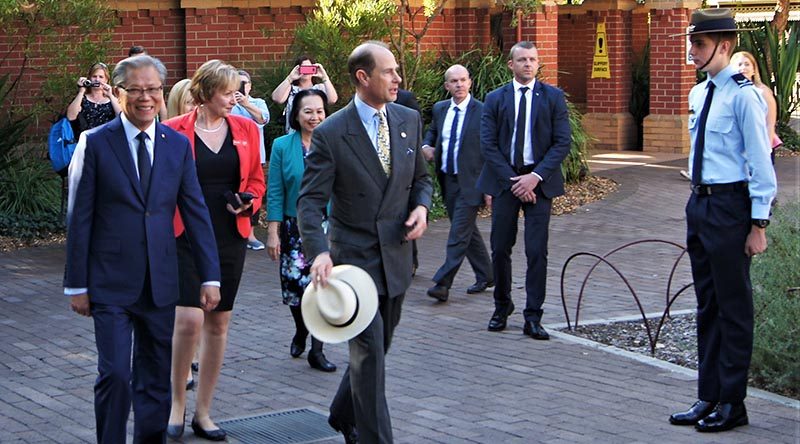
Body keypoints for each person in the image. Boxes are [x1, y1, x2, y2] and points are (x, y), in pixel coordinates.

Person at [64, 55, 221, 444]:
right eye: (136, 90)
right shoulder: (96, 143)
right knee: (116, 374)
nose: (146, 97)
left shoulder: (177, 146)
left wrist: (210, 275)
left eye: (153, 89)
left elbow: (196, 211)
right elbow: (79, 216)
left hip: (160, 281)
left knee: (155, 378)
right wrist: (76, 284)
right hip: (110, 281)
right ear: (119, 93)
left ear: (162, 92)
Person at [297, 41, 433, 444]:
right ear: (363, 77)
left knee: (377, 351)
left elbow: (421, 180)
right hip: (354, 264)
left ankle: (342, 414)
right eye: (388, 71)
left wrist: (422, 209)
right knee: (370, 354)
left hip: (397, 256)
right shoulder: (332, 132)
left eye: (396, 72)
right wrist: (318, 250)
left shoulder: (409, 119)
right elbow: (310, 201)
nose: (398, 78)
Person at [668, 9, 776, 433]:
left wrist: (758, 223)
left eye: (699, 44)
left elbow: (759, 160)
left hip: (732, 207)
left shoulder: (743, 95)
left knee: (733, 307)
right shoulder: (700, 94)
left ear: (724, 46)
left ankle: (733, 402)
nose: (692, 51)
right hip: (700, 204)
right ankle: (708, 395)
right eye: (691, 43)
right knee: (708, 304)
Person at [163, 59, 266, 441]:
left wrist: (249, 203)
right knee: (188, 320)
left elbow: (256, 179)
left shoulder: (246, 128)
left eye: (236, 90)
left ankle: (204, 413)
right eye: (227, 92)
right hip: (184, 235)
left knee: (218, 323)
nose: (233, 98)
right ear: (205, 93)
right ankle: (176, 403)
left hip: (229, 235)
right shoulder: (173, 131)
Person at [477, 41, 571, 340]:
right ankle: (502, 306)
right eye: (522, 60)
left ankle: (533, 315)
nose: (527, 64)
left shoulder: (553, 97)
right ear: (511, 64)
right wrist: (515, 182)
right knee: (501, 248)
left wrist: (535, 177)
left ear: (538, 63)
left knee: (536, 252)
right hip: (506, 183)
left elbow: (561, 143)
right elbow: (488, 145)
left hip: (539, 183)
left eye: (532, 59)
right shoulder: (495, 99)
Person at [266, 89, 336, 372]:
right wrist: (273, 230)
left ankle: (318, 350)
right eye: (308, 111)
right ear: (296, 114)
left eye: (319, 111)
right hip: (294, 228)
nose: (315, 116)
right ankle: (301, 330)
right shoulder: (283, 146)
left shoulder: (334, 142)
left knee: (323, 288)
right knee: (296, 288)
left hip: (327, 226)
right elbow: (275, 191)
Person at [422, 64, 493, 302]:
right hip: (448, 179)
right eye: (454, 81)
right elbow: (433, 132)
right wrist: (426, 146)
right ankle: (487, 274)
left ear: (470, 82)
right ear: (447, 86)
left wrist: (490, 185)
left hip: (473, 182)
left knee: (458, 233)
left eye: (463, 80)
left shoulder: (483, 111)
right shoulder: (441, 109)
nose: (459, 84)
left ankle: (443, 283)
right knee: (467, 231)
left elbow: (491, 150)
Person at [231, 69, 271, 251]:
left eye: (244, 83)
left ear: (250, 86)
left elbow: (263, 119)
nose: (241, 87)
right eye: (237, 83)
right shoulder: (228, 103)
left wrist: (246, 103)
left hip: (255, 158)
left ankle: (251, 234)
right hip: (233, 156)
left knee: (253, 194)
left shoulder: (258, 102)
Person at [731, 51, 782, 163]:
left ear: (754, 70)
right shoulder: (729, 92)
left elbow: (770, 123)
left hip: (760, 146)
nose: (743, 67)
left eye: (747, 64)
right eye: (739, 64)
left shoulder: (763, 91)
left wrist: (766, 150)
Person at [271, 55, 338, 133]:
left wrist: (325, 78)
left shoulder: (320, 88)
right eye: (303, 68)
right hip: (293, 132)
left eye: (309, 68)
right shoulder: (291, 88)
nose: (306, 71)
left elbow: (332, 100)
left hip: (317, 133)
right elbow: (277, 98)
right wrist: (290, 78)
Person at [66, 62, 121, 136]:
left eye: (101, 77)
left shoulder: (112, 99)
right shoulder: (82, 99)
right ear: (89, 78)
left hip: (107, 142)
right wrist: (81, 91)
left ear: (106, 80)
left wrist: (110, 95)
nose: (97, 79)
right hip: (85, 142)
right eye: (94, 76)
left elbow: (122, 118)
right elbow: (70, 116)